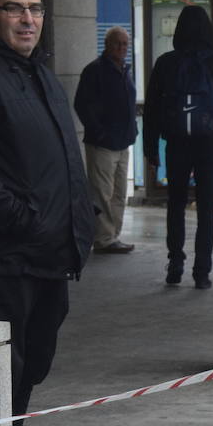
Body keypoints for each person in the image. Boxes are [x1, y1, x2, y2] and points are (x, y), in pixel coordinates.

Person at [0, 0, 95, 426]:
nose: (27, 19)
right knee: (3, 377)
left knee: (29, 372)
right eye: (13, 9)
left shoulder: (41, 76)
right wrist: (25, 218)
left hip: (50, 256)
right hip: (10, 257)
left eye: (34, 8)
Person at [143, 5, 213, 290]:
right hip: (209, 144)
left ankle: (175, 265)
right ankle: (202, 272)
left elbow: (152, 110)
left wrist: (150, 149)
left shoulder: (166, 63)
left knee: (175, 204)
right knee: (206, 208)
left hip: (176, 143)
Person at [74, 25, 138, 254]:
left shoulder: (124, 70)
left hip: (123, 143)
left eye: (125, 44)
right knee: (101, 193)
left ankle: (112, 236)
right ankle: (103, 238)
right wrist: (99, 132)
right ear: (107, 44)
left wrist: (133, 130)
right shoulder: (95, 70)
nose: (122, 48)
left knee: (120, 193)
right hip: (102, 144)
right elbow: (81, 104)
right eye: (117, 43)